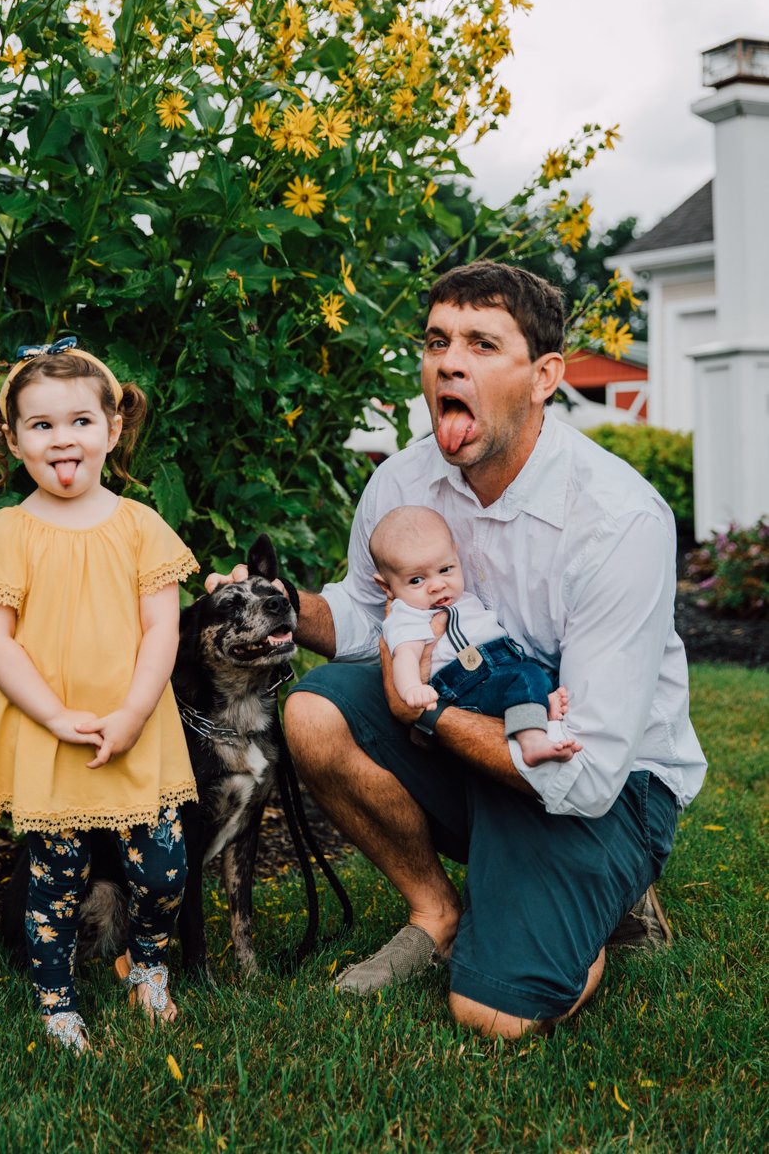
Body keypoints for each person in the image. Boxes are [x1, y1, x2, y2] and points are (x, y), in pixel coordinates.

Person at [209, 261, 707, 1039]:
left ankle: (607, 894)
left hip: (602, 778)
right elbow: (366, 613)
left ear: (544, 376)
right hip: (475, 729)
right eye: (437, 341)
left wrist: (430, 714)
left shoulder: (617, 522)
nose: (448, 361)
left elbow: (585, 772)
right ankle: (436, 913)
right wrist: (278, 608)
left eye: (480, 343)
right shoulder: (402, 481)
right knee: (312, 711)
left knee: (494, 1015)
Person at [0, 339, 199, 1053]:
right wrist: (54, 715)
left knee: (164, 869)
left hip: (136, 723)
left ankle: (146, 965)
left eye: (81, 421)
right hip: (49, 730)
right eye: (42, 424)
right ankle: (56, 1002)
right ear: (11, 438)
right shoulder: (6, 533)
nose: (63, 439)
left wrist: (134, 711)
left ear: (113, 430)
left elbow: (160, 628)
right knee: (54, 878)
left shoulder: (140, 526)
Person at [371, 505, 580, 766]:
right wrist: (412, 688)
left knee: (540, 675)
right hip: (462, 684)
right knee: (525, 678)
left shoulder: (461, 599)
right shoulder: (407, 615)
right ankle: (532, 741)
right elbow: (404, 656)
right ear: (386, 585)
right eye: (416, 580)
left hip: (498, 664)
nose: (437, 586)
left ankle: (538, 702)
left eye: (445, 569)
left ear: (455, 556)